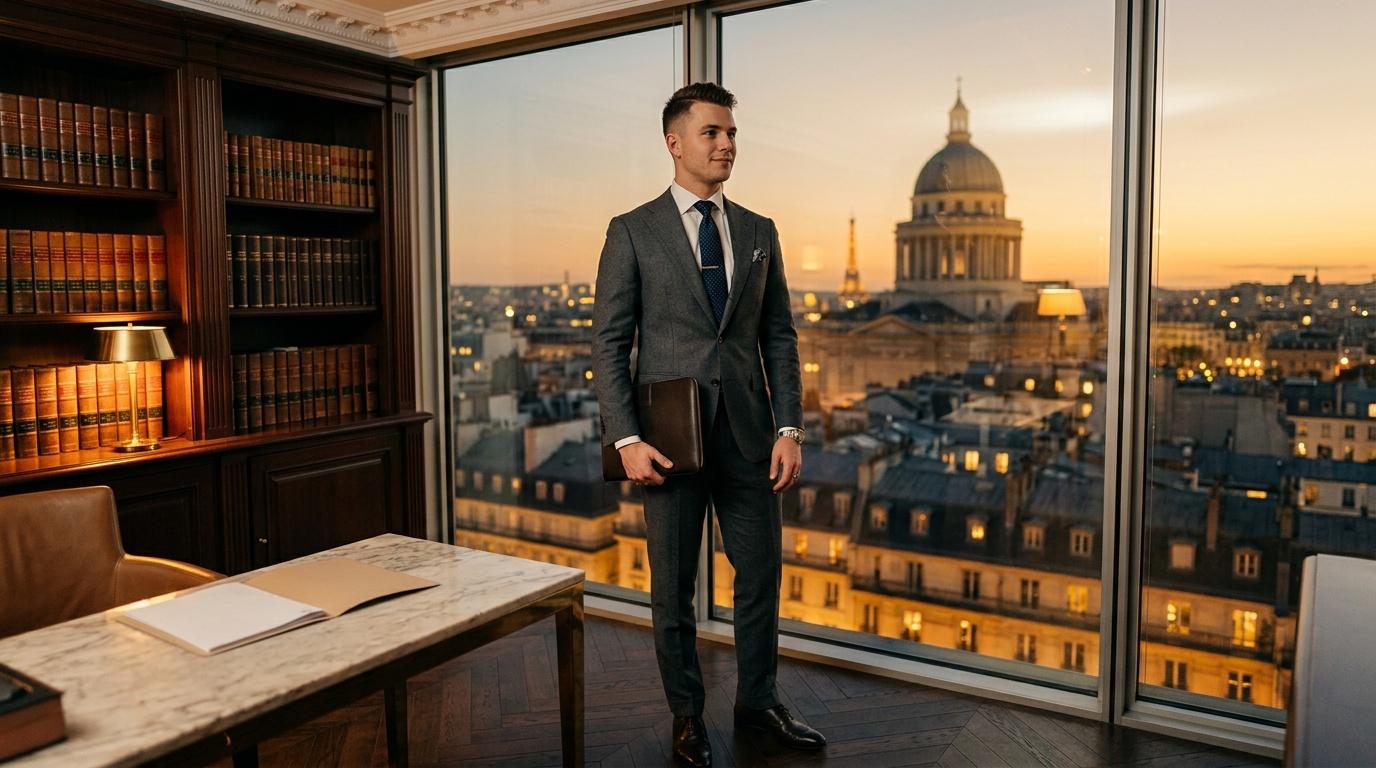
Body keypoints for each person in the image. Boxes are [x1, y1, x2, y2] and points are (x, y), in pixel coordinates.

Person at [592, 82, 826, 767]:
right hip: (668, 443)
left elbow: (778, 336)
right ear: (675, 142)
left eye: (731, 134)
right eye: (712, 133)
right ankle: (686, 716)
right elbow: (609, 342)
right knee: (672, 590)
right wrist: (626, 439)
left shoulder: (759, 231)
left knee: (759, 577)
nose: (727, 145)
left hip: (753, 439)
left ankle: (758, 703)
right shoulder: (632, 230)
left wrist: (790, 428)